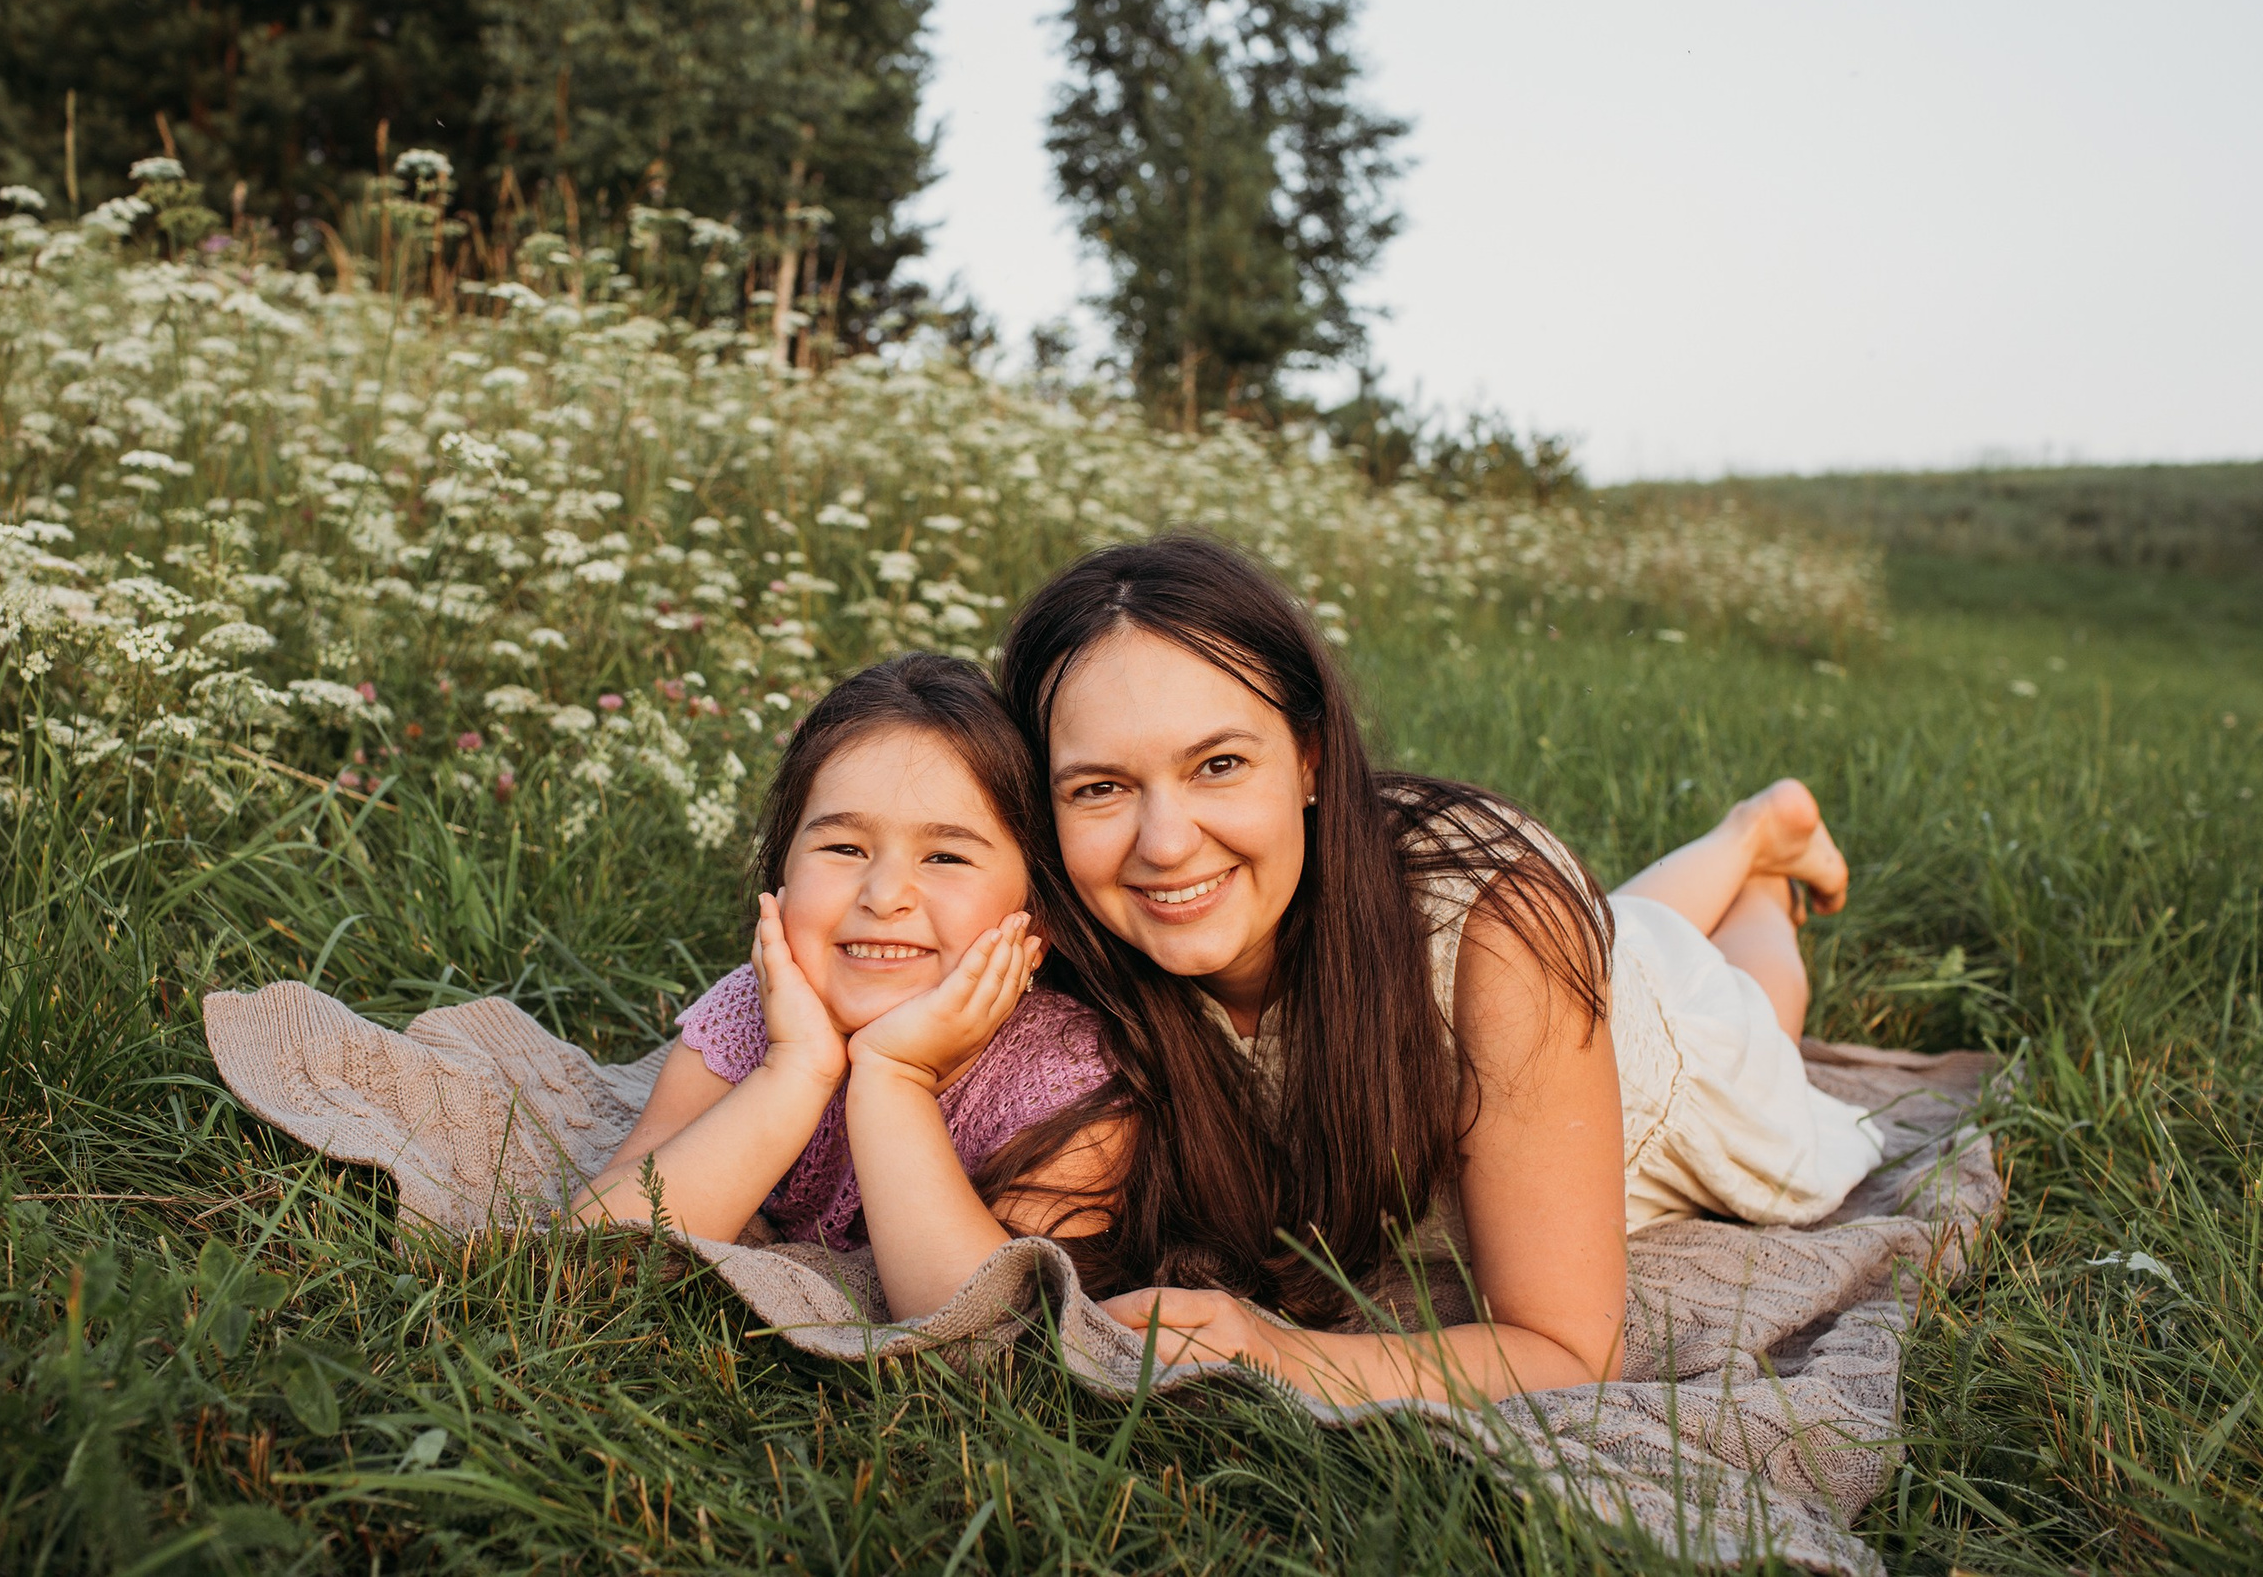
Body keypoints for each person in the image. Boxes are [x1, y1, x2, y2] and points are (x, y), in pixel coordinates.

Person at [987, 532, 1886, 1405]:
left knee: (1750, 1006)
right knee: (1627, 922)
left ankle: (1762, 873)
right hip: (1560, 956)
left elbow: (1570, 1347)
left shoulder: (1499, 938)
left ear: (1309, 758)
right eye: (1100, 787)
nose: (1165, 843)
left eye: (1219, 764)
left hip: (1665, 1056)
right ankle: (1747, 835)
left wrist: (1278, 1352)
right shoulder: (1049, 939)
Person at [569, 653, 1118, 1320]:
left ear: (1038, 915)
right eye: (843, 848)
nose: (884, 896)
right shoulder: (750, 1015)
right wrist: (795, 1069)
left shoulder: (1066, 1081)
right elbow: (601, 1251)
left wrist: (894, 1076)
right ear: (781, 874)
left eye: (946, 856)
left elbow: (986, 1332)